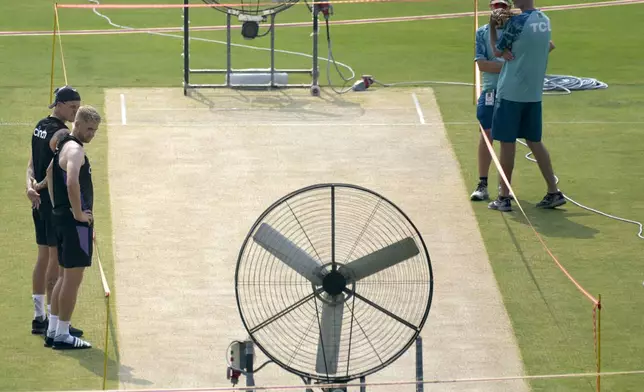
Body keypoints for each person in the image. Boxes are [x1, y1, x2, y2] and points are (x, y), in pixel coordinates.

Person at [487, 0, 564, 212]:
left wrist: (493, 27)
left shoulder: (518, 22)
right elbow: (547, 46)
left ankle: (503, 196)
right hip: (533, 94)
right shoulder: (544, 20)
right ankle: (553, 191)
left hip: (511, 92)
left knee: (507, 143)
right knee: (535, 141)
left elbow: (497, 51)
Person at [27, 86, 83, 339]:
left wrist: (29, 186)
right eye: (72, 107)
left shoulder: (39, 126)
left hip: (37, 202)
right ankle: (52, 321)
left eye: (78, 107)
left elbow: (31, 162)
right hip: (51, 203)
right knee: (55, 262)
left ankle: (39, 317)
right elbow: (51, 169)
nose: (76, 111)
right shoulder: (61, 134)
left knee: (42, 258)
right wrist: (39, 186)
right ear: (59, 105)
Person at [44, 106, 101, 350]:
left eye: (95, 130)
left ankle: (54, 330)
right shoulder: (76, 150)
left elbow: (49, 172)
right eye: (89, 128)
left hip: (62, 220)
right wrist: (77, 214)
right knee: (72, 281)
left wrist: (57, 208)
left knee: (64, 277)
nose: (92, 134)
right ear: (76, 124)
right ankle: (64, 335)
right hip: (74, 223)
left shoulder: (63, 146)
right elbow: (71, 182)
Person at [470, 0, 512, 201]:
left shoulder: (515, 29)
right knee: (486, 135)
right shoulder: (482, 32)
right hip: (490, 90)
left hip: (512, 92)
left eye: (502, 6)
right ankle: (483, 183)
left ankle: (504, 188)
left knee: (507, 139)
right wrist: (508, 67)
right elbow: (482, 65)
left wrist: (498, 65)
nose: (499, 10)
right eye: (496, 6)